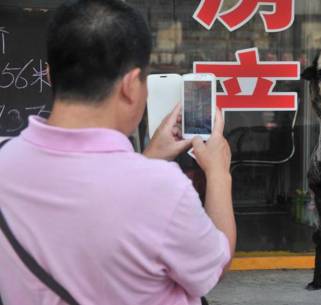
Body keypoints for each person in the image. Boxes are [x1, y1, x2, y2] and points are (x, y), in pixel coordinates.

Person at [0, 0, 236, 304]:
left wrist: (149, 157)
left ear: (47, 74)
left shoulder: (6, 161)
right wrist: (218, 173)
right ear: (130, 86)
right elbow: (215, 265)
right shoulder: (161, 189)